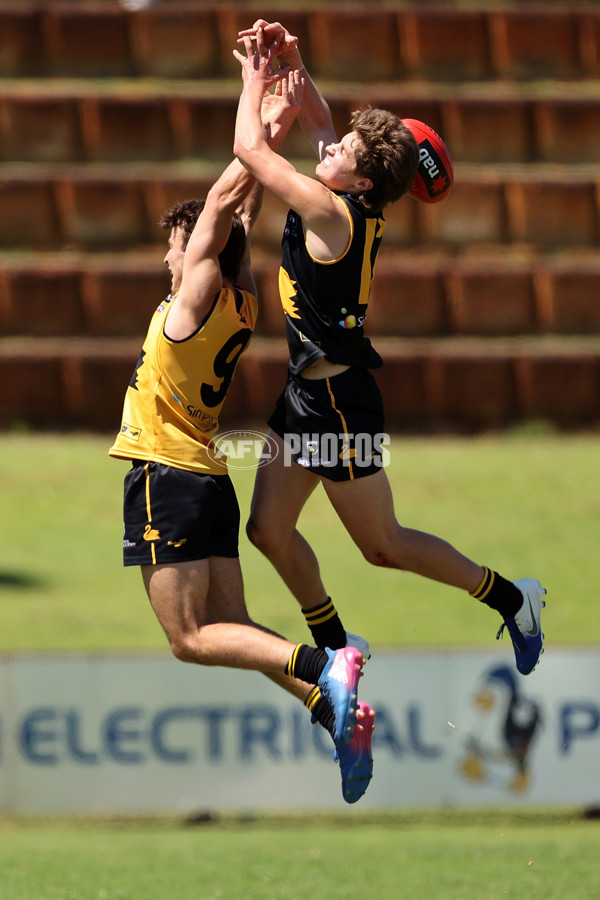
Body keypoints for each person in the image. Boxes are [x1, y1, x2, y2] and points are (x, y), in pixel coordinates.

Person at [233, 22, 546, 678]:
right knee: (266, 530)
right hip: (305, 394)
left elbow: (250, 150)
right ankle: (340, 644)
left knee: (384, 546)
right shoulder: (344, 189)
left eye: (343, 147)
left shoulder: (331, 209)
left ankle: (514, 598)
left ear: (364, 182)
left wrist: (254, 79)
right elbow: (319, 118)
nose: (330, 144)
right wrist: (294, 59)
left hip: (339, 405)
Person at [109, 72, 374, 804]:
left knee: (190, 638)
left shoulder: (192, 297)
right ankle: (329, 708)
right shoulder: (242, 299)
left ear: (198, 250)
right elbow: (246, 204)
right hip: (210, 480)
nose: (169, 256)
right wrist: (273, 120)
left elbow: (230, 200)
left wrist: (256, 85)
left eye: (177, 245)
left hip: (166, 475)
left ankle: (329, 667)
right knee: (235, 625)